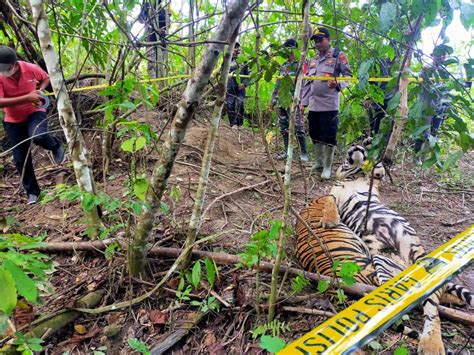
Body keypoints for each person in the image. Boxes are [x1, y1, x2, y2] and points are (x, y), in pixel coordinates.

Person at [0, 45, 64, 205]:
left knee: (39, 136)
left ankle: (55, 145)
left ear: (15, 64)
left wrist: (40, 90)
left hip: (35, 111)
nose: (4, 72)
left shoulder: (30, 68)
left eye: (6, 68)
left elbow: (46, 77)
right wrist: (26, 97)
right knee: (20, 158)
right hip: (13, 120)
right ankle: (32, 193)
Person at [300, 27, 352, 179]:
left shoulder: (338, 56)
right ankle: (319, 162)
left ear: (328, 40)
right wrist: (303, 102)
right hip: (314, 105)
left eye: (321, 40)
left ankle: (328, 167)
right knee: (315, 134)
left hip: (329, 105)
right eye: (315, 41)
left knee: (329, 136)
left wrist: (338, 83)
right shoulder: (313, 59)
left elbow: (348, 76)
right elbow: (308, 83)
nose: (318, 43)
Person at [270, 38, 308, 162]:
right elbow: (278, 84)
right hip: (282, 101)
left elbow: (306, 84)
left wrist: (303, 102)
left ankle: (304, 153)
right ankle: (287, 151)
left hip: (295, 100)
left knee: (298, 126)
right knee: (284, 127)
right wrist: (273, 100)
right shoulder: (284, 66)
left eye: (287, 49)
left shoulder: (301, 64)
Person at [414, 44, 452, 164]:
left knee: (434, 132)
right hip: (427, 105)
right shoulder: (427, 67)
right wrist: (424, 71)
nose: (442, 56)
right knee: (423, 132)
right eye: (439, 53)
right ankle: (417, 157)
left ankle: (425, 156)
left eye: (444, 54)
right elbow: (420, 79)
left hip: (440, 106)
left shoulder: (445, 71)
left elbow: (446, 89)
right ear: (433, 55)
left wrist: (447, 104)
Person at [226, 42, 249, 128]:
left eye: (237, 48)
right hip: (230, 86)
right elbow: (221, 71)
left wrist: (244, 84)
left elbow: (248, 75)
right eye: (234, 48)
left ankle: (239, 123)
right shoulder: (227, 60)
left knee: (240, 103)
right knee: (230, 103)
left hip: (241, 86)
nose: (235, 50)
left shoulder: (243, 60)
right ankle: (233, 123)